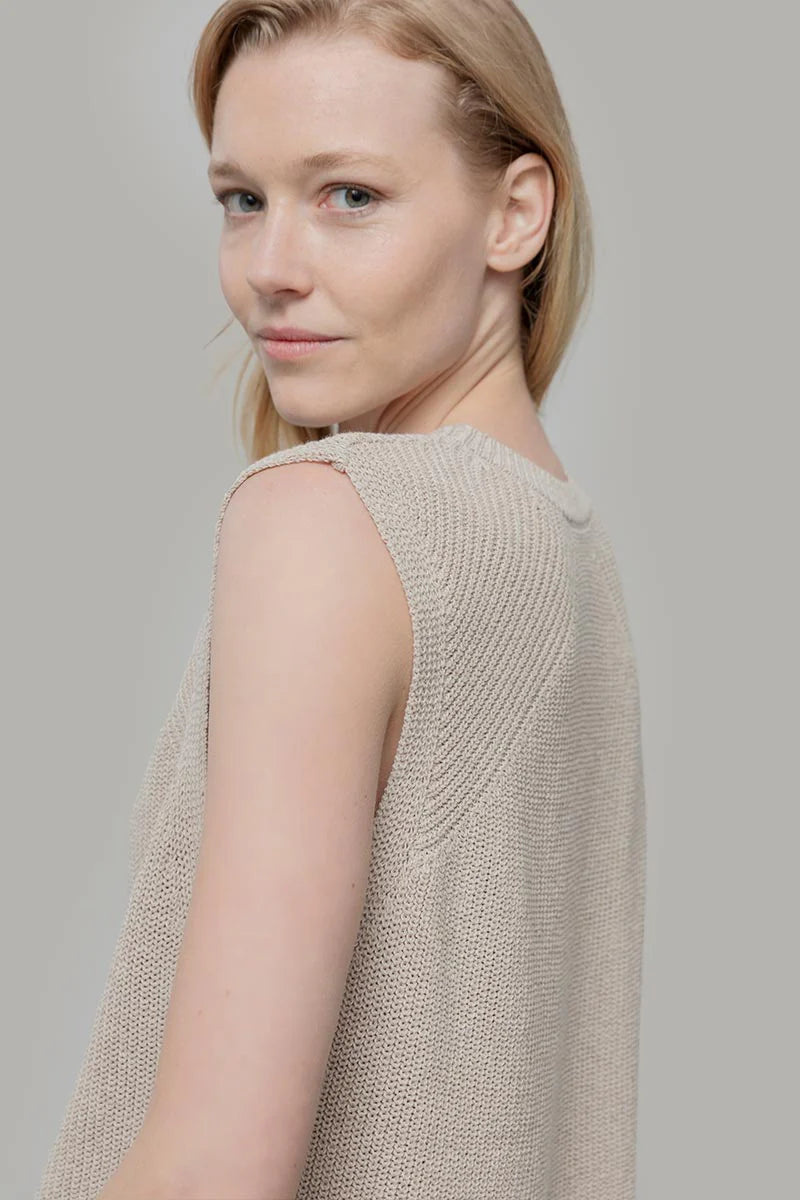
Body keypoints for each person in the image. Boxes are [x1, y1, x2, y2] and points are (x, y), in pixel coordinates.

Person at [37, 2, 647, 1198]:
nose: (269, 268)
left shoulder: (327, 524)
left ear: (515, 215)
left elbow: (215, 1171)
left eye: (349, 196)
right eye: (241, 199)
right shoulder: (567, 559)